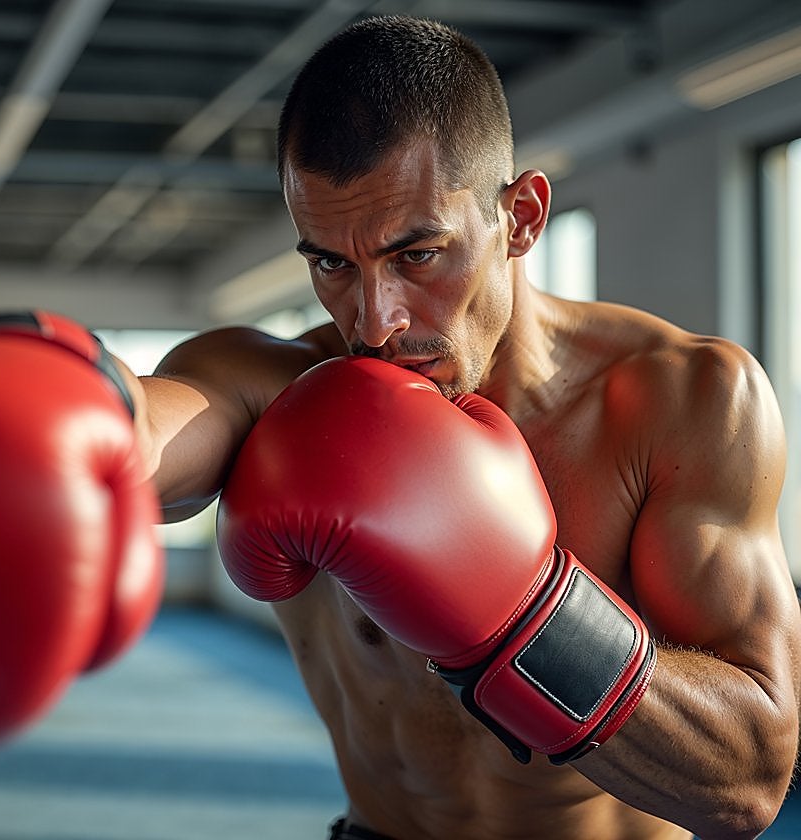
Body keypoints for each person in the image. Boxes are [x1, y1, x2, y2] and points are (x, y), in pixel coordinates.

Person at [119, 15, 801, 840]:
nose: (373, 323)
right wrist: (53, 415)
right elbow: (142, 437)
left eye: (417, 254)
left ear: (521, 217)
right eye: (332, 262)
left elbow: (749, 782)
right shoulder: (279, 392)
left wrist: (522, 620)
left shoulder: (682, 401)